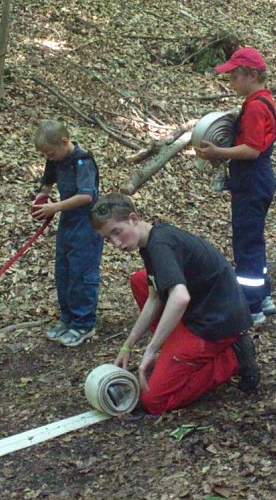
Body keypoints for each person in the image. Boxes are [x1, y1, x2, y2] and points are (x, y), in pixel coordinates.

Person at [90, 192, 259, 415]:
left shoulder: (160, 245)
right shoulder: (149, 241)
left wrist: (151, 349)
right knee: (140, 280)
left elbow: (180, 297)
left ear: (133, 218)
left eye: (117, 232)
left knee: (153, 401)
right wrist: (128, 345)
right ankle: (177, 349)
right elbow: (154, 297)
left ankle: (233, 357)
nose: (116, 243)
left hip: (216, 322)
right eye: (108, 239)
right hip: (202, 308)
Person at [196, 46, 276, 326]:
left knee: (246, 244)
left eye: (234, 78)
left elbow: (252, 150)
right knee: (253, 240)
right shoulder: (262, 100)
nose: (230, 84)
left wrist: (219, 153)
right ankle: (264, 295)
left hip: (252, 179)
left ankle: (251, 307)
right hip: (258, 178)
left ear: (252, 75)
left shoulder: (255, 106)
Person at [31, 120, 103, 347]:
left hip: (87, 223)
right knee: (64, 271)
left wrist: (55, 207)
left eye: (51, 153)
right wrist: (41, 200)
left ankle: (84, 323)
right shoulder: (55, 160)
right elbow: (46, 185)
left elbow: (86, 196)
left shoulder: (83, 162)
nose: (49, 158)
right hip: (68, 222)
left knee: (82, 273)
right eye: (46, 155)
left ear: (64, 142)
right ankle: (67, 319)